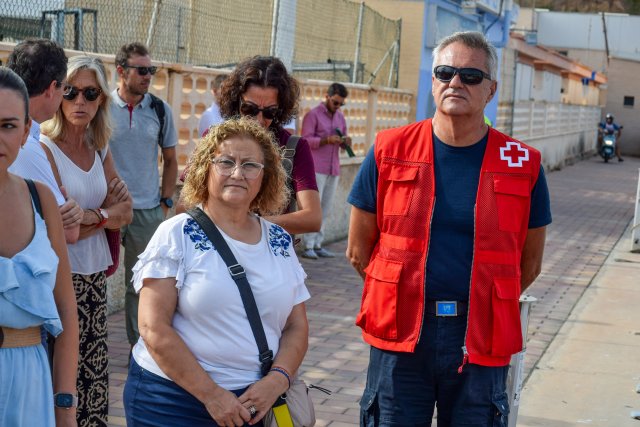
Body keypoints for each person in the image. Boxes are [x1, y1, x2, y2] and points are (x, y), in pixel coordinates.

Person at [346, 31, 552, 425]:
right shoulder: (390, 150)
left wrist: (486, 299)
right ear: (435, 81)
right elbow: (359, 250)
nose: (456, 82)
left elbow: (529, 263)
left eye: (471, 76)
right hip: (403, 333)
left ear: (490, 90)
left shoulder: (522, 163)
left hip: (479, 335)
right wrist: (399, 290)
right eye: (446, 72)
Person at [123, 117, 310, 426]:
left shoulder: (279, 241)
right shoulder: (177, 233)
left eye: (250, 165)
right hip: (173, 401)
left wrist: (277, 380)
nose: (237, 173)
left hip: (257, 404)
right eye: (226, 162)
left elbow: (296, 326)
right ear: (205, 169)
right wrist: (211, 394)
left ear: (266, 177)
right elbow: (153, 327)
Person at [41, 55, 133, 426]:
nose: (80, 102)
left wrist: (95, 216)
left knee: (94, 376)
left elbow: (125, 212)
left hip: (95, 280)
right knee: (62, 375)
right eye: (71, 91)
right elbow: (64, 230)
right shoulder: (45, 148)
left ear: (101, 101)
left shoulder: (100, 148)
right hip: (61, 281)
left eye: (90, 93)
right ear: (58, 95)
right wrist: (103, 217)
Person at [0, 66, 79, 427]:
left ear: (27, 131)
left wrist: (65, 407)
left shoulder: (41, 199)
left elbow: (65, 311)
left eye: (8, 125)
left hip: (31, 381)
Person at [109, 42, 178, 348]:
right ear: (121, 71)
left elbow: (172, 159)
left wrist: (165, 202)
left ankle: (139, 347)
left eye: (151, 70)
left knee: (141, 283)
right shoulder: (100, 107)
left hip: (148, 210)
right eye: (141, 70)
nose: (148, 76)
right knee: (94, 277)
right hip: (106, 210)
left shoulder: (160, 110)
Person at [216, 56, 321, 235]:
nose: (258, 120)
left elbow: (312, 218)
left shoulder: (294, 147)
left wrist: (252, 223)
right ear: (236, 101)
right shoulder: (216, 139)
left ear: (280, 110)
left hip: (270, 256)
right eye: (250, 109)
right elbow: (185, 206)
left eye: (269, 112)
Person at [7, 38, 83, 243]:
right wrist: (69, 205)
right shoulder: (26, 147)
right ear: (51, 88)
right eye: (65, 88)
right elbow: (69, 233)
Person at [301, 82, 351, 259]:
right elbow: (305, 140)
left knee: (326, 208)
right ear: (327, 96)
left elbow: (343, 145)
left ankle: (317, 244)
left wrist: (346, 142)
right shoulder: (312, 115)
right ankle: (308, 246)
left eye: (341, 103)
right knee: (314, 207)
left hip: (333, 168)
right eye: (335, 102)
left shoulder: (340, 117)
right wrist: (325, 140)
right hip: (316, 167)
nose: (338, 106)